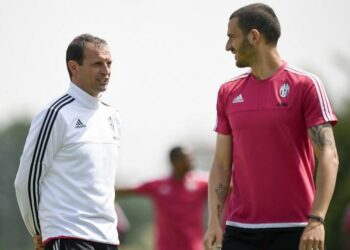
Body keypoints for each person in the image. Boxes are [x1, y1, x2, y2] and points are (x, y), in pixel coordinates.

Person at [204, 3, 339, 250]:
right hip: (240, 231)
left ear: (254, 37)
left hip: (296, 229)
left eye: (232, 37)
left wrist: (317, 219)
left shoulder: (306, 85)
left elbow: (329, 156)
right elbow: (222, 163)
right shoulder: (227, 92)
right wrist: (214, 222)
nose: (228, 46)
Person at [14, 34, 121, 250]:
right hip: (67, 235)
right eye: (97, 64)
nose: (106, 70)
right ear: (74, 67)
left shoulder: (113, 116)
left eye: (109, 63)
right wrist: (37, 230)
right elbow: (27, 180)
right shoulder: (55, 114)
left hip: (108, 239)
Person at [117, 146, 208, 250]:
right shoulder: (158, 185)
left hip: (193, 246)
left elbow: (226, 187)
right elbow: (129, 190)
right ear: (174, 161)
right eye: (186, 158)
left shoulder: (201, 183)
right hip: (166, 246)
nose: (191, 161)